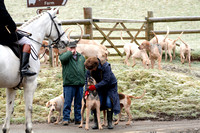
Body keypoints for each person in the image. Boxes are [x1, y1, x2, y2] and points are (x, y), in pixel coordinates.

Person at [0, 0, 36, 77]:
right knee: (27, 41)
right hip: (1, 33)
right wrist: (13, 27)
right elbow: (3, 13)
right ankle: (24, 69)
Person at [84, 57, 120, 129]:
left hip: (110, 86)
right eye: (89, 70)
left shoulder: (105, 66)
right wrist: (87, 91)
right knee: (97, 103)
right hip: (98, 86)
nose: (90, 71)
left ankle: (109, 122)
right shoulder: (89, 69)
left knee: (109, 102)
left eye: (92, 69)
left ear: (96, 66)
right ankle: (96, 122)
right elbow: (87, 80)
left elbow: (106, 80)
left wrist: (95, 87)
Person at [59, 41, 86, 126]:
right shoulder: (65, 56)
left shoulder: (81, 57)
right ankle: (66, 119)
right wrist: (70, 53)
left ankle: (78, 119)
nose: (73, 49)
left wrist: (84, 80)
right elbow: (62, 59)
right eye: (71, 48)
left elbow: (84, 70)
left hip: (80, 83)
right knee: (68, 102)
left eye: (74, 48)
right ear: (67, 48)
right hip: (69, 83)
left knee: (78, 103)